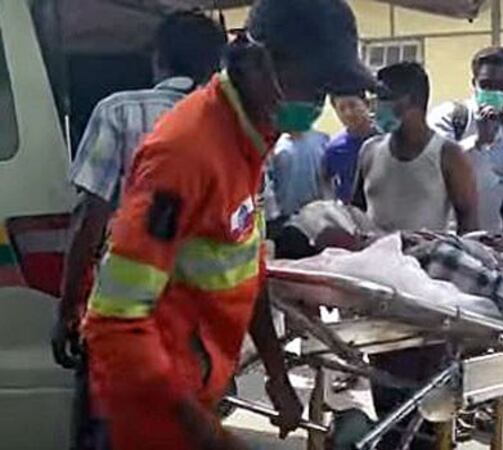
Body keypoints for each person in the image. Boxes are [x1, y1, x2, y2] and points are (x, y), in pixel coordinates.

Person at [79, 0, 377, 448]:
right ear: (257, 62)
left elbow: (245, 265)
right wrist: (206, 434)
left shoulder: (250, 138)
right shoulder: (186, 152)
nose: (318, 102)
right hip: (143, 413)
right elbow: (114, 321)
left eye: (326, 90)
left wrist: (277, 376)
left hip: (192, 391)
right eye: (311, 85)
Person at [51, 11, 226, 449]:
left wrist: (67, 310)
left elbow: (89, 221)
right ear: (215, 66)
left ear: (158, 60)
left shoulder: (119, 112)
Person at [428, 46, 503, 234]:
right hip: (448, 235)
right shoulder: (451, 117)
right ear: (474, 83)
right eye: (487, 85)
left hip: (490, 236)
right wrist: (479, 142)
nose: (495, 92)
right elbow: (435, 164)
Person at [353, 62, 479, 234]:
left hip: (428, 258)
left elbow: (469, 223)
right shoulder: (369, 151)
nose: (376, 106)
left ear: (411, 100)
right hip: (377, 257)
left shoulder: (447, 154)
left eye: (383, 98)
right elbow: (356, 213)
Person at [324, 93, 377, 203]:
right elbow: (327, 184)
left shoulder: (385, 139)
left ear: (367, 104)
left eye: (352, 105)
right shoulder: (334, 149)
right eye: (341, 109)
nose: (348, 113)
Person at [268, 127, 330, 219]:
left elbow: (329, 178)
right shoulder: (275, 146)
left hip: (319, 215)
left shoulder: (323, 140)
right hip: (287, 216)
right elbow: (269, 184)